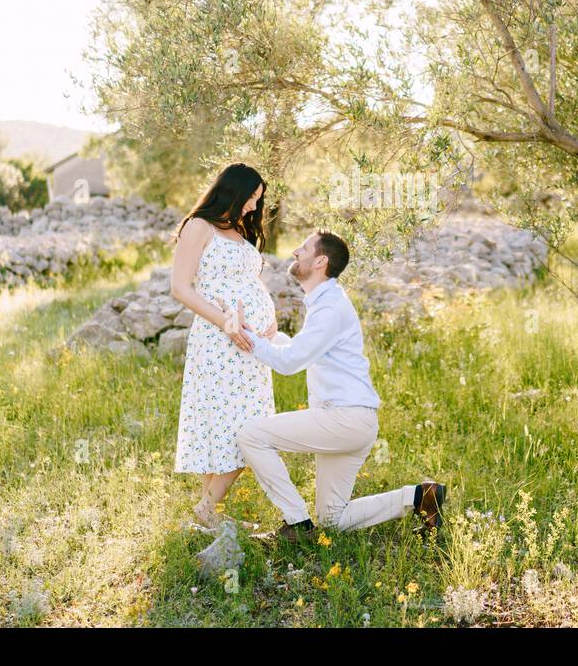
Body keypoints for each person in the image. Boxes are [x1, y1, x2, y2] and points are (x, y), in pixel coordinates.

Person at [220, 229, 446, 543]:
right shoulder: (326, 303)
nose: (297, 251)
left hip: (343, 419)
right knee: (333, 520)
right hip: (352, 422)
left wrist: (250, 339)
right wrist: (264, 338)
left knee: (250, 435)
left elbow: (288, 363)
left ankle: (297, 523)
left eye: (304, 247)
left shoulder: (329, 309)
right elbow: (300, 352)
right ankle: (420, 496)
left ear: (320, 261)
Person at [170, 162, 279, 529]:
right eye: (250, 197)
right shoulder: (198, 227)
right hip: (220, 342)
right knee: (240, 429)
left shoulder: (238, 230)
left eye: (256, 201)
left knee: (240, 424)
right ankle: (206, 509)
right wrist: (228, 322)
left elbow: (250, 284)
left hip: (250, 346)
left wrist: (271, 317)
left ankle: (208, 514)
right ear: (232, 190)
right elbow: (181, 288)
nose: (252, 206)